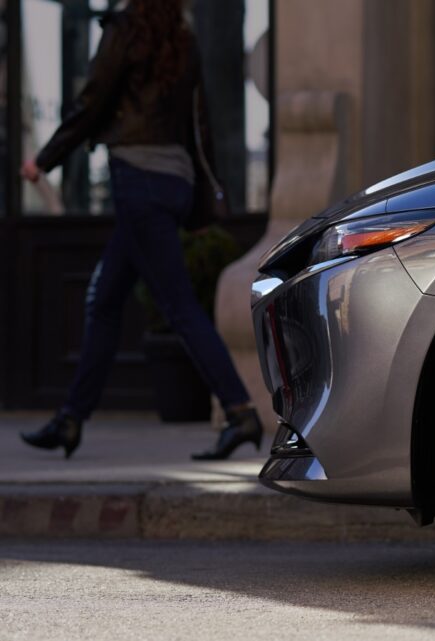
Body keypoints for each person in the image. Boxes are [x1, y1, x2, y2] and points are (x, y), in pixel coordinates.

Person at [18, 0, 261, 461]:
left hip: (139, 182)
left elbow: (92, 101)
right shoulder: (184, 40)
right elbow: (200, 122)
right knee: (105, 299)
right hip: (173, 182)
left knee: (180, 307)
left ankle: (239, 410)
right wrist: (197, 195)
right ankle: (71, 419)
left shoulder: (124, 30)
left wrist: (43, 161)